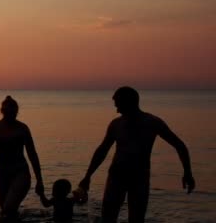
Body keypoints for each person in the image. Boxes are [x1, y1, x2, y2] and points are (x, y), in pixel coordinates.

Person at [78, 86, 195, 223]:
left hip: (139, 177)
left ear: (128, 102)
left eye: (118, 103)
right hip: (116, 175)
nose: (116, 107)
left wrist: (187, 172)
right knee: (108, 217)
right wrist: (88, 176)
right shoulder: (116, 124)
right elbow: (102, 150)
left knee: (137, 218)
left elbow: (179, 145)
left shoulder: (152, 122)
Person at [0, 95, 44, 220]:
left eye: (13, 112)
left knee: (9, 208)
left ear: (16, 112)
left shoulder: (22, 129)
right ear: (2, 111)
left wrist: (39, 180)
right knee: (6, 213)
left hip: (20, 172)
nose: (10, 114)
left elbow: (32, 154)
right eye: (7, 112)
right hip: (1, 172)